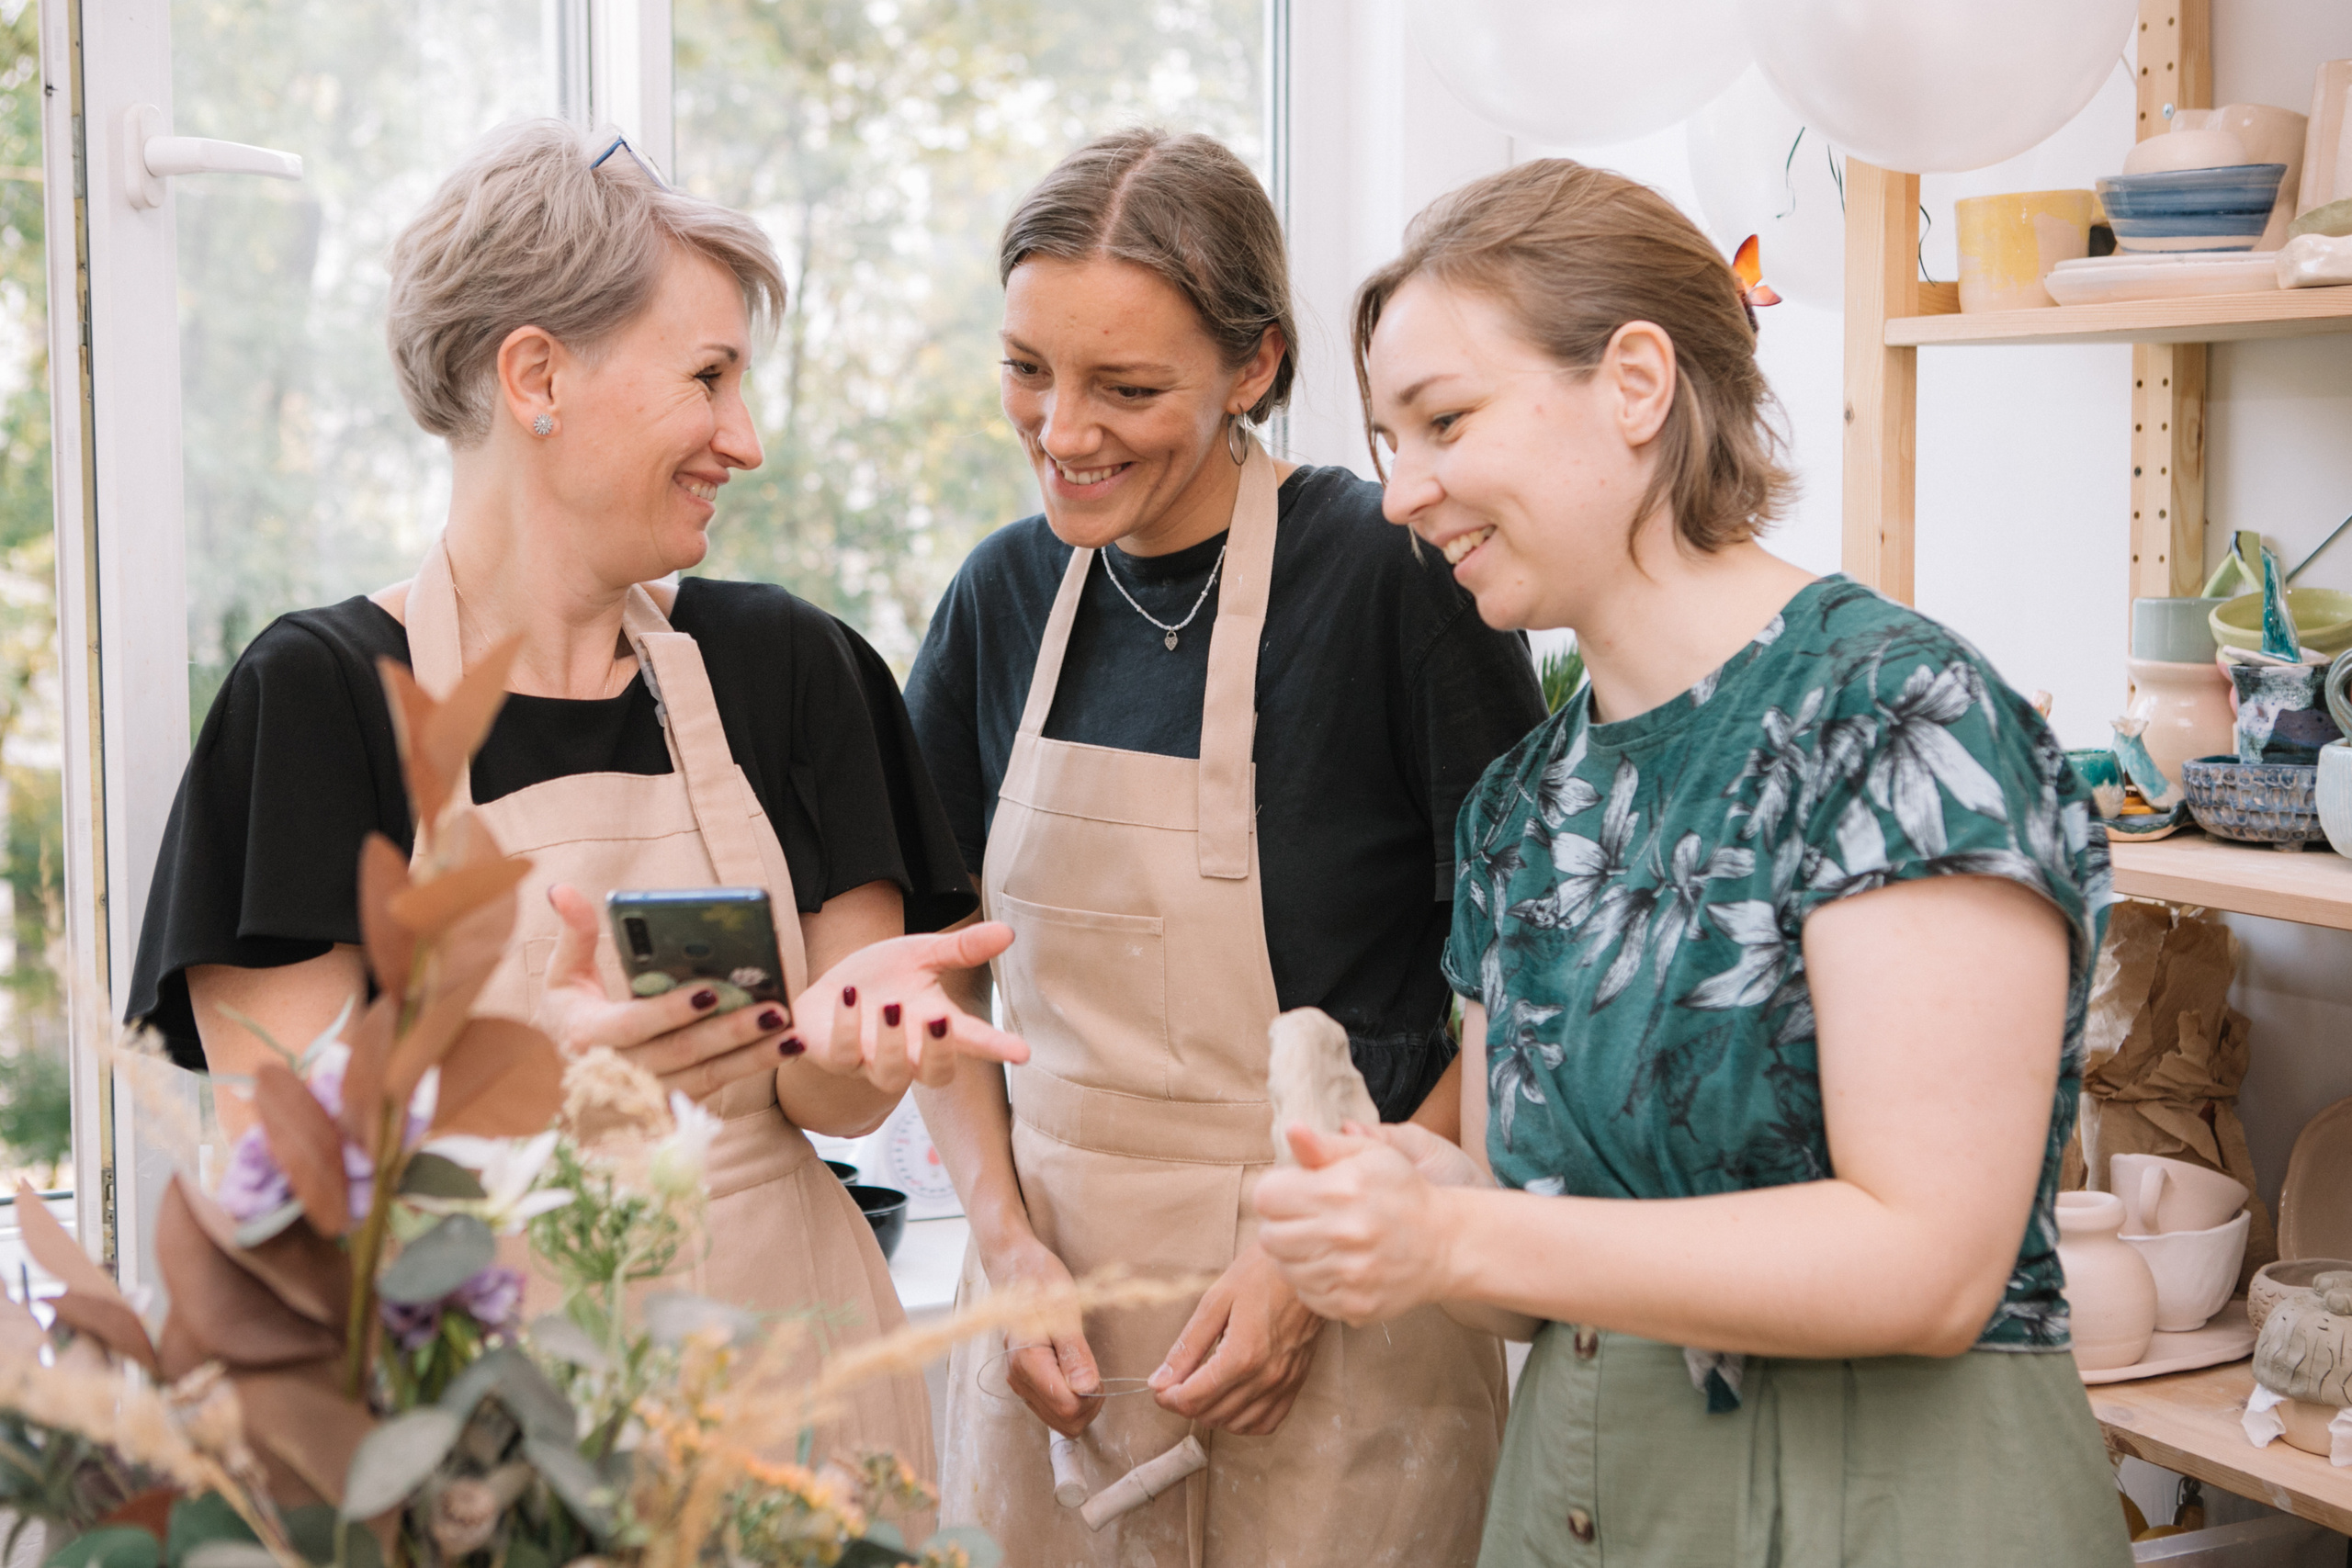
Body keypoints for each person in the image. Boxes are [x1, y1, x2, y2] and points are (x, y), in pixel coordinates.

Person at [1250, 159, 2130, 1567]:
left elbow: (1932, 1265)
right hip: (1581, 1505)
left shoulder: (1897, 719)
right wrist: (1389, 1198)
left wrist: (1461, 1242)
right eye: (1385, 440)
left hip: (1882, 1509)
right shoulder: (1523, 810)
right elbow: (1520, 1287)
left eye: (1445, 421)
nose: (1402, 493)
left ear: (1637, 383)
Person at [127, 120, 1026, 1490]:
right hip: (487, 1444)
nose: (748, 439)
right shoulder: (319, 703)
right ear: (536, 375)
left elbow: (826, 1100)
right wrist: (548, 1104)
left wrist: (856, 1037)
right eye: (710, 377)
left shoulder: (788, 668)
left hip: (799, 1402)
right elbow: (299, 1197)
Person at [903, 128, 1544, 1565]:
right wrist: (1003, 1251)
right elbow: (924, 973)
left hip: (1343, 1288)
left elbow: (1512, 988)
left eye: (1126, 387)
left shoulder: (1390, 574)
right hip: (1050, 1309)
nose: (1062, 430)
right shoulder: (1004, 596)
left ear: (1253, 367)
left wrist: (1307, 1260)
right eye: (1027, 369)